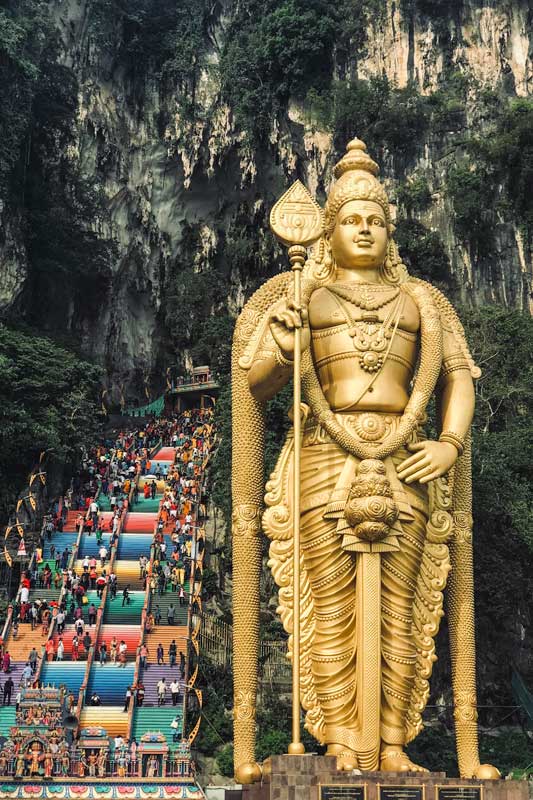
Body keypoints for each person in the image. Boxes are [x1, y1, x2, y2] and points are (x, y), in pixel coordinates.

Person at [231, 138, 499, 780]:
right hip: (326, 457)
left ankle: (393, 743)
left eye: (375, 220)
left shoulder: (424, 304)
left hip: (407, 459)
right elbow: (255, 384)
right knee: (330, 608)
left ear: (390, 229)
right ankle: (341, 745)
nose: (365, 229)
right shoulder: (300, 297)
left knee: (402, 611)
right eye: (352, 218)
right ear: (328, 227)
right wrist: (285, 345)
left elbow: (459, 377)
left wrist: (448, 443)